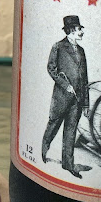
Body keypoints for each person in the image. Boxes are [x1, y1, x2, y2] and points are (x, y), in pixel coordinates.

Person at [41, 15, 90, 179]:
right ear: (71, 30)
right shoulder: (58, 47)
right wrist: (65, 85)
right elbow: (51, 68)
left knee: (70, 133)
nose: (82, 32)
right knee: (53, 126)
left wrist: (85, 104)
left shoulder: (81, 51)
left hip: (77, 100)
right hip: (62, 97)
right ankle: (44, 150)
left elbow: (85, 78)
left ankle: (68, 164)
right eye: (79, 29)